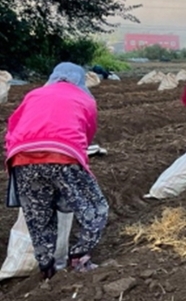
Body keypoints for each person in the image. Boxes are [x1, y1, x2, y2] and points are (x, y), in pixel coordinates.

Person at [4, 63, 109, 279]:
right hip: (63, 156)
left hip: (22, 158)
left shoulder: (34, 94)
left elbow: (13, 125)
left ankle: (47, 268)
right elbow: (86, 132)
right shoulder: (85, 99)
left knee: (39, 215)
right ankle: (79, 256)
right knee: (95, 208)